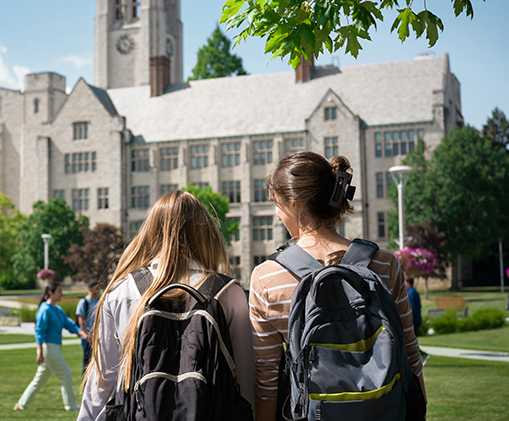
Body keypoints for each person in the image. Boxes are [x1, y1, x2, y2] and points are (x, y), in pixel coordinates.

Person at [248, 151, 426, 421]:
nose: (276, 214)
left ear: (293, 203)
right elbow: (410, 353)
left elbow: (267, 376)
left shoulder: (267, 278)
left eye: (277, 203)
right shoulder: (385, 264)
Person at [77, 190, 255, 421]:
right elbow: (244, 380)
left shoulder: (121, 292)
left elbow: (102, 386)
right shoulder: (228, 293)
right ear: (206, 233)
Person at [14, 281, 91, 412]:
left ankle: (21, 405)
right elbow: (39, 331)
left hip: (54, 347)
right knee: (66, 375)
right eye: (59, 291)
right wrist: (39, 352)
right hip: (48, 348)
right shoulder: (44, 309)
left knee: (39, 380)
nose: (61, 294)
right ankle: (70, 406)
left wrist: (83, 334)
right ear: (51, 292)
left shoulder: (57, 309)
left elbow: (69, 324)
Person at [76, 279, 101, 375]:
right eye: (96, 289)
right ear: (90, 289)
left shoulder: (99, 300)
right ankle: (85, 381)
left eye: (99, 288)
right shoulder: (84, 302)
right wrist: (86, 334)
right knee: (87, 360)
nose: (98, 291)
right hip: (88, 337)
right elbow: (81, 319)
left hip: (98, 335)